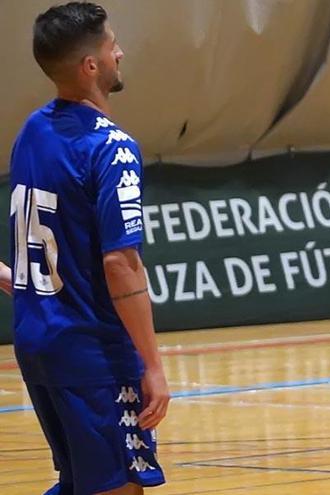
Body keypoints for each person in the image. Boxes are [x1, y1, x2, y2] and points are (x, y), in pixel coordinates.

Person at [9, 3, 169, 494]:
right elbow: (121, 263)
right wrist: (153, 365)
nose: (119, 51)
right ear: (91, 65)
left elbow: (43, 244)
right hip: (91, 352)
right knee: (119, 486)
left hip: (37, 347)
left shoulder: (31, 132)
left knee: (79, 483)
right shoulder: (111, 147)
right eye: (110, 44)